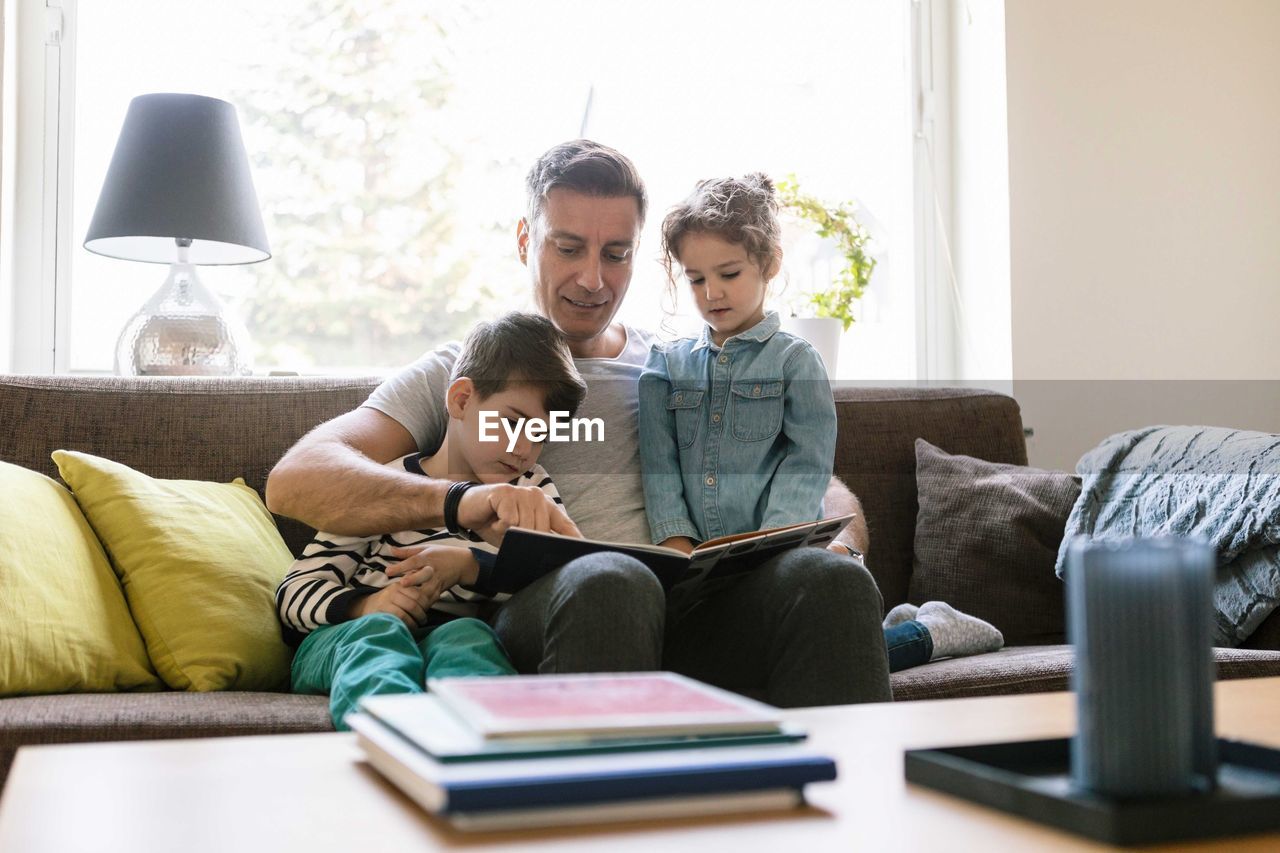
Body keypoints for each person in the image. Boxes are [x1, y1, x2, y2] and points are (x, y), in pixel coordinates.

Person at [266, 139, 890, 707]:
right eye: (568, 249)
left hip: (699, 610)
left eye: (615, 255)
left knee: (829, 578)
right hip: (558, 610)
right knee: (612, 579)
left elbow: (815, 480)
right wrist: (466, 502)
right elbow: (298, 480)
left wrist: (842, 540)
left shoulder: (683, 364)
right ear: (523, 241)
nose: (593, 280)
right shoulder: (474, 370)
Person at [640, 173, 1002, 673]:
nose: (712, 293)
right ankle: (910, 631)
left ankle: (928, 633)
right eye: (696, 278)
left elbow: (806, 466)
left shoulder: (796, 363)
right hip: (695, 573)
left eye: (729, 273)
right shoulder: (664, 367)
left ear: (768, 264)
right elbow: (659, 473)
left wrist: (760, 553)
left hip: (777, 558)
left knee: (799, 649)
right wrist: (680, 555)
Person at [275, 313, 587, 729]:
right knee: (379, 637)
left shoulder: (531, 488)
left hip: (449, 635)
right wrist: (365, 606)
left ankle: (489, 756)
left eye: (540, 434)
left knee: (470, 640)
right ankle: (395, 747)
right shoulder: (387, 484)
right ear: (461, 400)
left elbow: (563, 577)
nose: (524, 449)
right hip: (347, 636)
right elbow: (293, 593)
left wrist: (468, 567)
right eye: (512, 423)